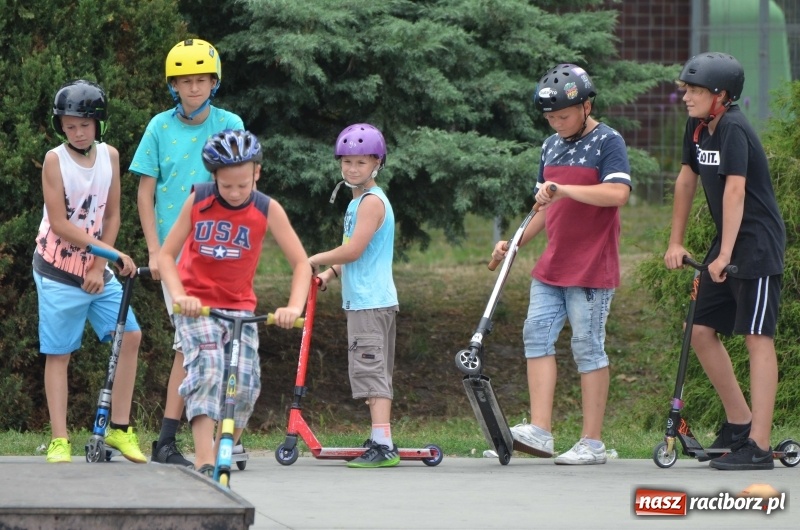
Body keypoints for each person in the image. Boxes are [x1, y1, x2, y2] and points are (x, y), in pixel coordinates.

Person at [492, 64, 632, 465]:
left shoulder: (608, 142)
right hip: (552, 266)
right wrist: (514, 244)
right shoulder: (550, 145)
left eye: (563, 116)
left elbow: (618, 194)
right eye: (550, 118)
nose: (556, 124)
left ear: (586, 106)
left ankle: (593, 442)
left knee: (588, 347)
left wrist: (566, 189)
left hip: (591, 268)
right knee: (535, 336)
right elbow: (543, 206)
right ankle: (540, 432)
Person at [157, 129, 311, 476]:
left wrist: (293, 308)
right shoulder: (199, 200)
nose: (236, 192)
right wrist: (180, 295)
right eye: (227, 186)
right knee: (209, 368)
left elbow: (301, 263)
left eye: (243, 184)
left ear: (257, 172)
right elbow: (166, 256)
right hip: (197, 305)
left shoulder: (266, 208)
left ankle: (219, 454)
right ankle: (204, 459)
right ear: (214, 177)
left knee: (245, 385)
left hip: (239, 308)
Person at [664, 52, 785, 471]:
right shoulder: (698, 127)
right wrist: (675, 241)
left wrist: (726, 254)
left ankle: (760, 446)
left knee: (757, 338)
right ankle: (739, 423)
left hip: (757, 246)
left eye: (695, 91)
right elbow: (686, 180)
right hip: (728, 244)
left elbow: (735, 190)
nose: (686, 97)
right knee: (698, 330)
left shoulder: (733, 127)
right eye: (686, 89)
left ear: (721, 95)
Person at [130, 38, 245, 466]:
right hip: (177, 257)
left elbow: (242, 186)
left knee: (208, 346)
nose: (193, 88)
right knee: (195, 344)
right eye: (185, 81)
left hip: (222, 252)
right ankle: (179, 441)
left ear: (214, 83)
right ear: (173, 85)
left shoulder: (229, 122)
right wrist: (155, 251)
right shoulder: (159, 127)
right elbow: (145, 194)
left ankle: (184, 439)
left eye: (201, 80)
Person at [34, 79, 147, 464]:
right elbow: (60, 224)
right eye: (69, 126)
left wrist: (100, 265)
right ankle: (59, 440)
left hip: (95, 269)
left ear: (99, 124)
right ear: (60, 127)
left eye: (84, 125)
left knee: (130, 336)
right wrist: (111, 253)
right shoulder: (55, 160)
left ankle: (119, 428)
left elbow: (112, 216)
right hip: (56, 271)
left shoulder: (110, 156)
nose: (78, 132)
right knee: (59, 354)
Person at [310, 123, 401, 468]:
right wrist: (330, 274)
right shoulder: (357, 202)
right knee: (372, 372)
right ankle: (379, 438)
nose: (352, 168)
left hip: (370, 303)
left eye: (361, 162)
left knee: (371, 373)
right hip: (368, 301)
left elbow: (353, 250)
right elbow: (355, 253)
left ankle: (383, 445)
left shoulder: (371, 203)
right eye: (346, 161)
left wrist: (314, 259)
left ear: (377, 163)